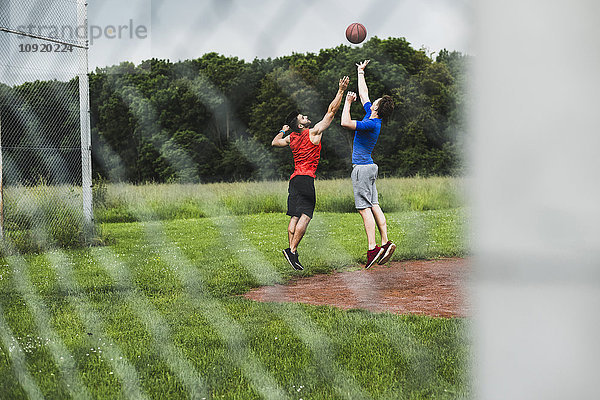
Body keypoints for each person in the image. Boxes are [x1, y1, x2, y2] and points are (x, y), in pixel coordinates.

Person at [272, 76, 350, 270]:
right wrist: (340, 91)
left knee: (294, 218)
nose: (306, 117)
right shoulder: (313, 133)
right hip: (306, 180)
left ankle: (293, 253)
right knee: (306, 216)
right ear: (301, 125)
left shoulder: (291, 138)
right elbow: (331, 113)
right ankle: (292, 251)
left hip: (294, 181)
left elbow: (274, 142)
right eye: (303, 118)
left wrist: (283, 130)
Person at [341, 60, 396, 269]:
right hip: (370, 167)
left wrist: (347, 103)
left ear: (377, 108)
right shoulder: (372, 115)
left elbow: (345, 123)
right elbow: (364, 94)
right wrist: (360, 72)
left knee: (364, 209)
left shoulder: (370, 123)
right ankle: (385, 242)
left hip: (362, 169)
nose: (373, 100)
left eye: (377, 100)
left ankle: (373, 248)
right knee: (374, 205)